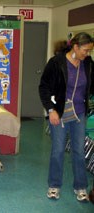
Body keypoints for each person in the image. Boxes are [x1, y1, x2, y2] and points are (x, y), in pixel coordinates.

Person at [39, 32, 94, 202]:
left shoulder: (88, 64)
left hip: (79, 113)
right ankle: (54, 185)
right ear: (75, 47)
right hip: (60, 113)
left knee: (79, 151)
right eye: (85, 50)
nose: (87, 54)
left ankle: (80, 187)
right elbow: (44, 87)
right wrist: (50, 110)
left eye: (90, 51)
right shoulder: (56, 63)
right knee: (58, 151)